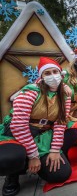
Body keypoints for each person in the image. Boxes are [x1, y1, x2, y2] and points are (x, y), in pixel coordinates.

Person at [0, 57, 72, 196]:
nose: (52, 76)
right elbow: (19, 126)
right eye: (47, 73)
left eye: (55, 71)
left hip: (43, 134)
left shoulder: (65, 95)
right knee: (7, 159)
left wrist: (55, 150)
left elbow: (60, 123)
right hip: (18, 133)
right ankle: (13, 174)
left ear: (60, 74)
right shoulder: (30, 92)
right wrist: (33, 155)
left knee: (61, 173)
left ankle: (32, 163)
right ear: (42, 77)